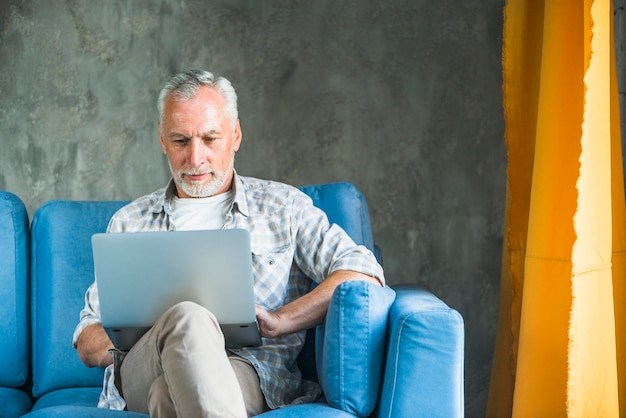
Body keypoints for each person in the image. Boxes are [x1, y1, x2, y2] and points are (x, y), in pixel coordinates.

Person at [73, 69, 385, 417]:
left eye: (209, 139)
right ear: (162, 139)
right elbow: (87, 338)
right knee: (187, 318)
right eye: (180, 141)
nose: (195, 158)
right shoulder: (130, 221)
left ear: (235, 135)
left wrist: (282, 319)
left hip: (249, 372)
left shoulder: (283, 207)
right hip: (142, 371)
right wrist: (139, 342)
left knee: (167, 395)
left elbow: (362, 271)